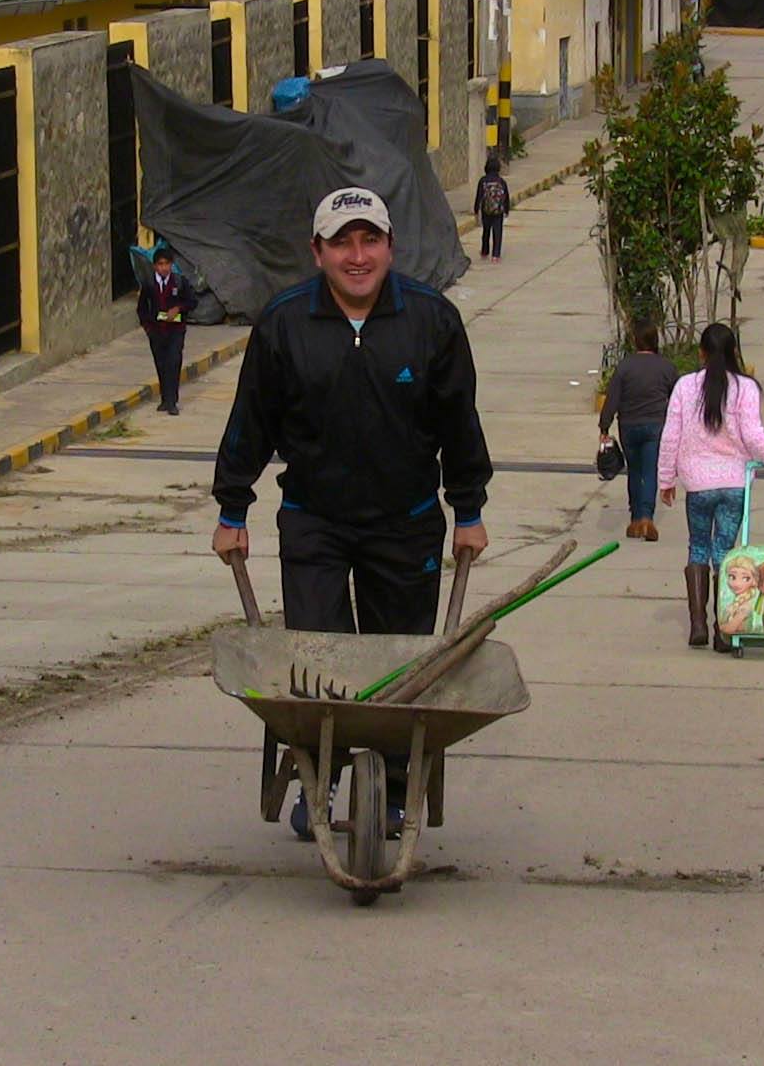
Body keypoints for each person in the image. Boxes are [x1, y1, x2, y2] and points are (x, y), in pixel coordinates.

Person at [211, 186, 493, 838]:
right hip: (315, 519)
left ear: (391, 247)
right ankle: (321, 780)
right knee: (317, 661)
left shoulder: (432, 321)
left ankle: (395, 791)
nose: (357, 256)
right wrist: (233, 508)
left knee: (401, 665)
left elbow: (460, 424)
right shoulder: (283, 324)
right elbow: (248, 423)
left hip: (409, 520)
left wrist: (469, 509)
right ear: (318, 252)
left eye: (370, 240)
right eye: (342, 242)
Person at [657, 323, 764, 651]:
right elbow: (753, 434)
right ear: (734, 352)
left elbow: (670, 436)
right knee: (724, 552)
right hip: (735, 484)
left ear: (701, 353)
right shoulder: (746, 388)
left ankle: (697, 625)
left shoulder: (685, 386)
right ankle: (725, 626)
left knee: (697, 548)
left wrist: (666, 479)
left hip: (697, 483)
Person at [598, 318, 679, 541]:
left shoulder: (625, 367)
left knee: (634, 471)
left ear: (635, 341)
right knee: (651, 470)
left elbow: (612, 398)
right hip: (655, 425)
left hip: (629, 425)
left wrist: (604, 426)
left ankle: (635, 519)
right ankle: (647, 517)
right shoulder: (666, 367)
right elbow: (678, 399)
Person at [137, 248, 198, 415]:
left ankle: (172, 401)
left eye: (166, 264)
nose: (163, 268)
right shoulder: (149, 284)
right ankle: (165, 399)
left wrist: (178, 308)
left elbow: (192, 302)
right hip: (156, 331)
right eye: (160, 264)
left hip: (175, 331)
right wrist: (148, 328)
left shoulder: (179, 282)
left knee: (173, 362)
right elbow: (141, 308)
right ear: (155, 266)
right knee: (161, 364)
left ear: (171, 265)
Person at [474, 157, 512, 262]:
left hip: (486, 210)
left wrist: (476, 210)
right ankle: (496, 255)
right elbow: (506, 197)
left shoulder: (483, 181)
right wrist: (507, 210)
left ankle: (485, 251)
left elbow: (479, 196)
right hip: (498, 211)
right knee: (497, 232)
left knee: (486, 231)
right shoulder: (501, 181)